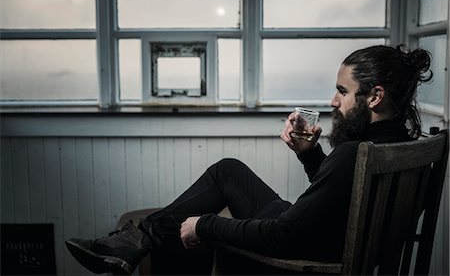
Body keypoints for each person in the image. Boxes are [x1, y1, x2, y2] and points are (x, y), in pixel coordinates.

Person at [65, 44, 433, 275]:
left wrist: (204, 224)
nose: (334, 102)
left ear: (374, 96)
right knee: (229, 170)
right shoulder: (400, 148)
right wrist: (310, 156)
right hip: (326, 238)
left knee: (192, 228)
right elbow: (348, 200)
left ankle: (132, 243)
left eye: (342, 91)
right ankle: (134, 241)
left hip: (305, 250)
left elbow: (283, 236)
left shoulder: (355, 153)